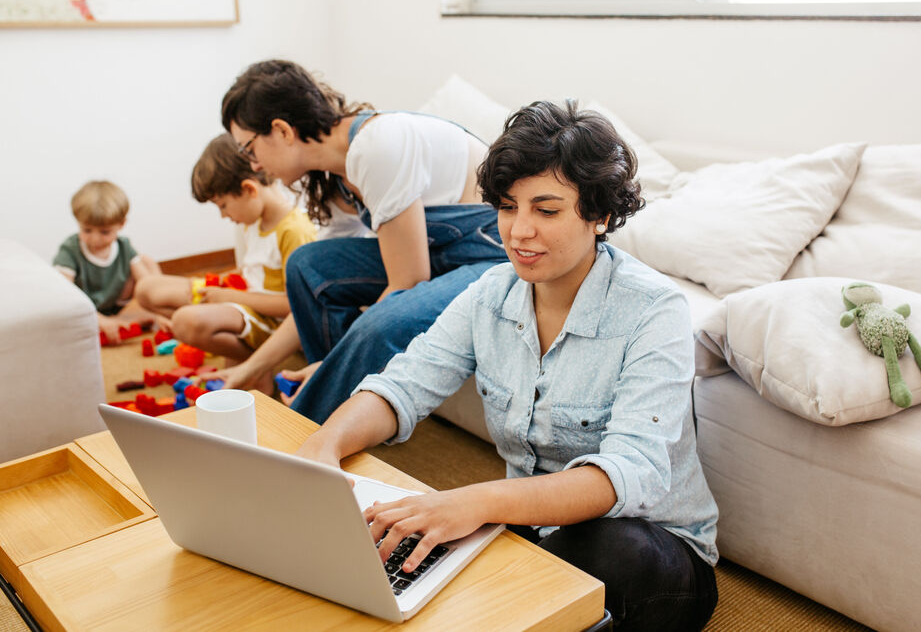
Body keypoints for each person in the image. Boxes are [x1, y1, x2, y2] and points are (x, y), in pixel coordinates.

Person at [295, 100, 719, 631]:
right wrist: (324, 444)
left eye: (546, 210)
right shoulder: (491, 292)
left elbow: (629, 475)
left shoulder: (654, 310)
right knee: (411, 554)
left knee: (613, 551)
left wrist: (475, 502)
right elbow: (402, 384)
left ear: (601, 215)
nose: (518, 232)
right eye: (507, 207)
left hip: (653, 548)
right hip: (533, 529)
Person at [215, 59, 508, 420]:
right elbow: (316, 286)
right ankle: (339, 401)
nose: (254, 165)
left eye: (249, 149)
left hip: (490, 258)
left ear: (282, 130)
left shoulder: (377, 145)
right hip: (442, 255)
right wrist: (252, 367)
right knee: (307, 266)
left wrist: (328, 366)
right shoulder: (333, 175)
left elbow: (408, 282)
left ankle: (309, 428)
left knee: (383, 324)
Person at [135, 134, 316, 370]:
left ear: (249, 189)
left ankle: (256, 366)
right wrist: (223, 285)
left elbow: (296, 306)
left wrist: (229, 297)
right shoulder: (254, 222)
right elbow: (254, 271)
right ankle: (237, 350)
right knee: (147, 289)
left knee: (185, 321)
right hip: (244, 298)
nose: (223, 215)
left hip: (273, 321)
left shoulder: (294, 230)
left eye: (223, 205)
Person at [54, 180, 163, 345]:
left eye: (104, 232)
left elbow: (147, 285)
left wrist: (160, 314)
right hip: (80, 311)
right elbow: (63, 295)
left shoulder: (123, 246)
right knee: (62, 292)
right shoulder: (70, 250)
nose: (95, 238)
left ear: (121, 224)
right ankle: (103, 323)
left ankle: (116, 320)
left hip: (111, 306)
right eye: (87, 230)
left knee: (146, 263)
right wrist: (100, 321)